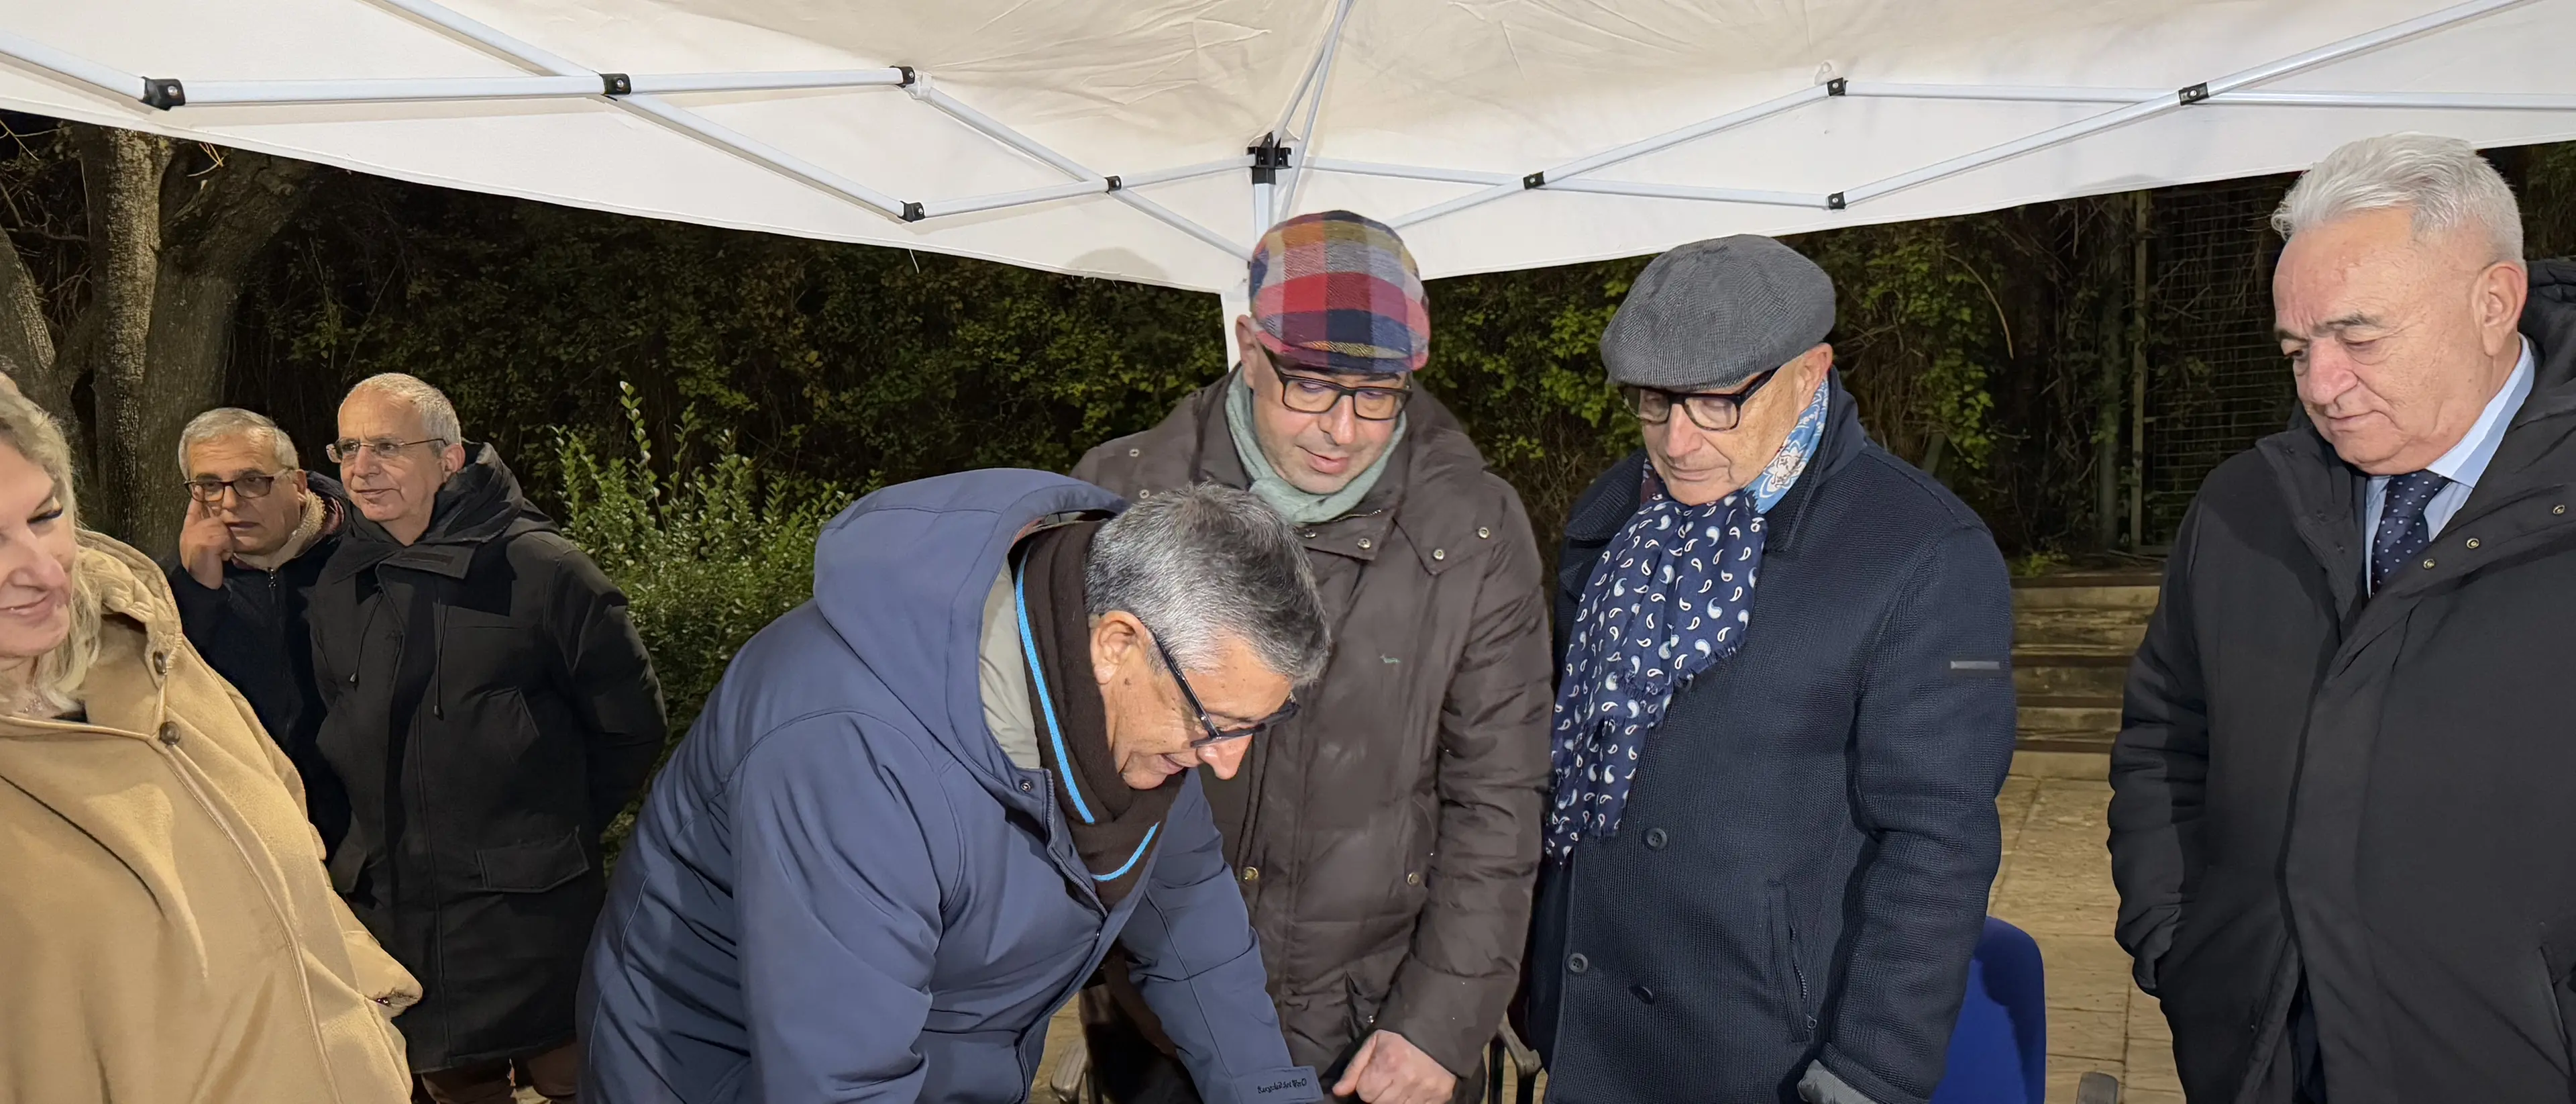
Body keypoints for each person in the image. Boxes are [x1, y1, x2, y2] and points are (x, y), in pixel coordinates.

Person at [581, 472, 1333, 1104]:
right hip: (708, 1071)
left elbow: (1192, 912)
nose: (1226, 762)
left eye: (1254, 727)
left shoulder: (1145, 714)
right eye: (1220, 723)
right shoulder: (851, 750)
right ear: (1118, 644)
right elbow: (841, 1077)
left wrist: (1271, 1092)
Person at [2110, 134, 2576, 1103]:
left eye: (2360, 338)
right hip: (2261, 1059)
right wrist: (2180, 943)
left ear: (2495, 303)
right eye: (2297, 348)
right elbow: (2165, 738)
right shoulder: (2246, 511)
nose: (2321, 385)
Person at [1517, 235, 2017, 1104]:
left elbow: (1939, 838)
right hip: (1590, 1029)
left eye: (1717, 404)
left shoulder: (1921, 551)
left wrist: (1874, 1069)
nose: (1677, 440)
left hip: (1769, 1050)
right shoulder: (1612, 514)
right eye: (1653, 401)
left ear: (1810, 371)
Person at [1073, 209, 1550, 1104]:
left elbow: (1500, 795)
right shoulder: (1121, 492)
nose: (1343, 428)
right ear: (1250, 346)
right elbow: (1072, 765)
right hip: (1160, 1022)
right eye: (1312, 389)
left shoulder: (1476, 530)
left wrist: (1440, 1022)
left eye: (1378, 398)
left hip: (1378, 1036)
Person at [0, 385, 417, 1103]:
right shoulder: (182, 599)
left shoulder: (142, 638)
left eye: (46, 515)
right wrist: (198, 594)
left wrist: (366, 992)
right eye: (210, 486)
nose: (39, 569)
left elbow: (284, 829)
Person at [310, 372, 665, 1103]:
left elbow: (630, 728)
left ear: (450, 457)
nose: (360, 467)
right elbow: (339, 727)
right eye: (348, 446)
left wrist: (544, 832)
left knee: (577, 1074)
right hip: (399, 910)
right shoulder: (342, 581)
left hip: (528, 914)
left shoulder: (544, 571)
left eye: (386, 446)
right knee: (453, 1082)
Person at [166, 407, 356, 852]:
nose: (230, 504)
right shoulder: (172, 592)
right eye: (210, 486)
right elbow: (169, 709)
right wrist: (196, 591)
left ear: (298, 483)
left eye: (253, 481)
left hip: (372, 851)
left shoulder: (366, 560)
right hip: (250, 844)